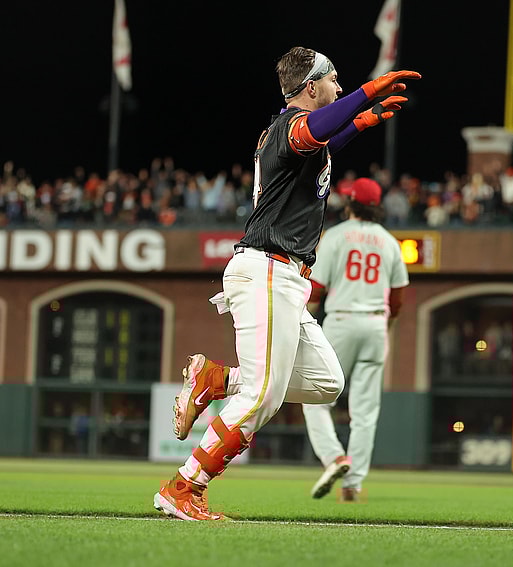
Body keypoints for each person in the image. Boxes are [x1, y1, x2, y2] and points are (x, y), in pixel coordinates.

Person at [152, 46, 420, 521]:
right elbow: (312, 131)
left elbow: (320, 143)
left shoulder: (296, 134)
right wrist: (363, 95)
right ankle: (184, 486)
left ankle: (217, 379)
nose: (340, 86)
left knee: (327, 382)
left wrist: (359, 123)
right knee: (262, 397)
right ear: (311, 86)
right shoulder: (289, 126)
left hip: (285, 275)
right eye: (334, 79)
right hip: (267, 269)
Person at [301, 177, 409, 502]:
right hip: (375, 324)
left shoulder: (335, 236)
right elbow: (398, 299)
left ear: (350, 202)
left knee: (316, 398)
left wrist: (303, 322)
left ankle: (334, 457)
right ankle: (353, 484)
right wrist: (386, 326)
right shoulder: (389, 242)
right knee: (365, 411)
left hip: (342, 321)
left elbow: (316, 290)